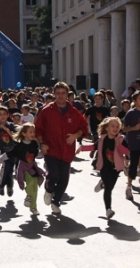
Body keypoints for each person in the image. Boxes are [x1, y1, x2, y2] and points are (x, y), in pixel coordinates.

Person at [35, 81, 88, 214]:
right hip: (51, 149)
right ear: (54, 94)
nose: (60, 96)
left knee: (64, 179)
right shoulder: (46, 111)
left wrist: (75, 135)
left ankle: (56, 202)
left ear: (67, 95)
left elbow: (84, 128)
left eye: (63, 93)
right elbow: (38, 129)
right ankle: (49, 189)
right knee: (54, 175)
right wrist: (42, 144)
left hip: (67, 151)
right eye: (58, 93)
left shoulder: (74, 112)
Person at [77, 117, 130, 219]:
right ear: (107, 128)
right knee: (108, 189)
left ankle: (102, 183)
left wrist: (119, 146)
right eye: (112, 126)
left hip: (116, 168)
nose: (115, 128)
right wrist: (82, 148)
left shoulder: (121, 139)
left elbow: (126, 152)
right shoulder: (102, 139)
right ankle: (108, 209)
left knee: (110, 186)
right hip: (104, 167)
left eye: (117, 126)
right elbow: (94, 146)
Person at [0, 123, 45, 215]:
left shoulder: (34, 143)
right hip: (23, 168)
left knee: (35, 187)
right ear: (24, 134)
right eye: (30, 132)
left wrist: (44, 153)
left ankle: (33, 207)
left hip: (32, 167)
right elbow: (10, 153)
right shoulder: (20, 146)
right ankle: (29, 196)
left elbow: (36, 154)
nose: (33, 134)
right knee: (30, 182)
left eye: (33, 132)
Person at [0, 106, 16, 196]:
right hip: (1, 151)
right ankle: (2, 185)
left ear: (8, 115)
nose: (2, 116)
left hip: (12, 151)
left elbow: (15, 137)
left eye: (4, 114)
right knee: (7, 166)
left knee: (9, 169)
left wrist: (6, 129)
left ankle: (9, 186)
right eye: (0, 114)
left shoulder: (11, 125)